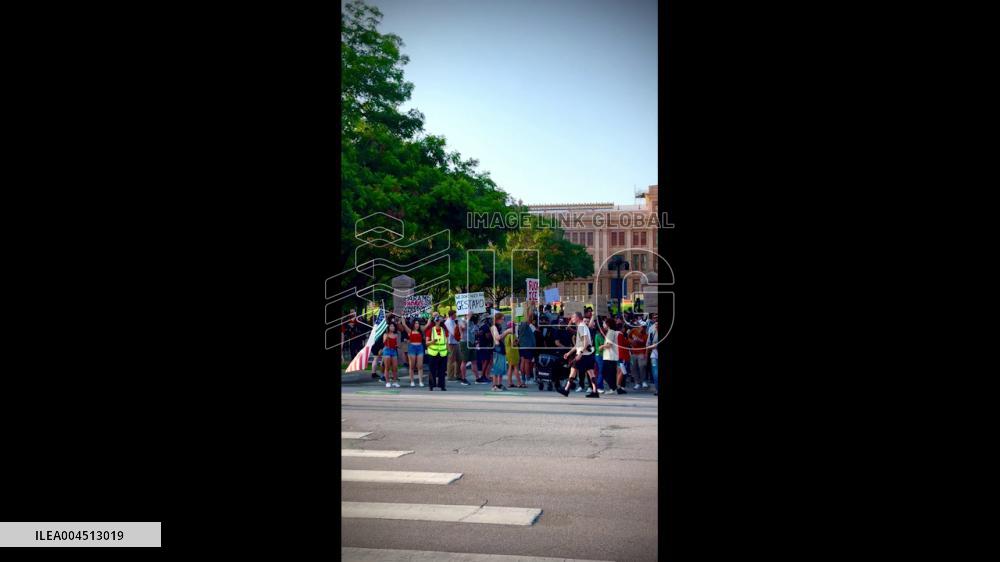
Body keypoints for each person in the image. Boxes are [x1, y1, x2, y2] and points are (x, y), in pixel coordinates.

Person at [556, 311, 599, 398]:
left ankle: (566, 390)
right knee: (590, 372)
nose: (571, 318)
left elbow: (586, 342)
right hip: (588, 354)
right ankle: (595, 391)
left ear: (578, 318)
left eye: (573, 317)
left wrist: (580, 354)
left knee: (573, 370)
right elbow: (578, 344)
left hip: (583, 354)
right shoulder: (581, 326)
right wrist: (569, 353)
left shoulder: (582, 327)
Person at [599, 317, 626, 394]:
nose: (603, 324)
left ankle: (613, 388)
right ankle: (614, 388)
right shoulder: (611, 332)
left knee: (605, 373)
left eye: (604, 323)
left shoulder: (611, 332)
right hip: (610, 356)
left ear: (608, 324)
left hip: (610, 356)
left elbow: (609, 344)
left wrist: (601, 346)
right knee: (609, 373)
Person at [398, 317, 426, 387]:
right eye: (416, 323)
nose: (417, 325)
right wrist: (402, 318)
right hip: (412, 348)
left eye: (418, 323)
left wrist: (430, 317)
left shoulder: (421, 331)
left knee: (420, 366)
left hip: (420, 348)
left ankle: (420, 381)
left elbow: (428, 325)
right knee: (412, 366)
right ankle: (412, 381)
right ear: (413, 324)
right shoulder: (410, 331)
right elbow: (404, 325)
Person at [489, 312, 513, 391]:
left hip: (499, 347)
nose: (503, 321)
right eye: (502, 319)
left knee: (501, 367)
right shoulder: (494, 327)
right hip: (497, 347)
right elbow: (497, 337)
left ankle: (498, 384)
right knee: (497, 367)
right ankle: (495, 385)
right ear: (498, 319)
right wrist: (507, 332)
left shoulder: (497, 327)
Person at [425, 315, 449, 390]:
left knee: (442, 371)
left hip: (443, 353)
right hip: (433, 353)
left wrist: (448, 350)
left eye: (439, 321)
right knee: (432, 371)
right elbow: (426, 343)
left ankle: (442, 386)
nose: (438, 322)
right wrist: (432, 341)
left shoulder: (444, 330)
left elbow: (446, 341)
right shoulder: (430, 330)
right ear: (435, 322)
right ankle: (431, 386)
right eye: (437, 321)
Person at [444, 310, 465, 383]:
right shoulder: (448, 322)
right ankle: (450, 376)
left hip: (456, 342)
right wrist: (460, 330)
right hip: (451, 343)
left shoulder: (453, 321)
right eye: (455, 315)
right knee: (451, 360)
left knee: (459, 359)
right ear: (451, 315)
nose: (456, 316)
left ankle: (458, 374)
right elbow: (453, 332)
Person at [517, 307, 537, 383]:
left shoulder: (520, 324)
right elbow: (529, 318)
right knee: (527, 362)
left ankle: (523, 378)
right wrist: (530, 308)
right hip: (526, 346)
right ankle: (527, 378)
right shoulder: (523, 324)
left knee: (523, 361)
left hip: (523, 346)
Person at [628, 322, 649, 390]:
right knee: (633, 368)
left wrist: (639, 340)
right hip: (633, 352)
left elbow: (647, 344)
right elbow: (628, 337)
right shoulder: (633, 330)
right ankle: (637, 382)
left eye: (643, 327)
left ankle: (643, 381)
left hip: (641, 352)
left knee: (642, 366)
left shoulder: (646, 335)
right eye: (641, 326)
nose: (641, 328)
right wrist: (631, 341)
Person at [382, 320, 401, 387]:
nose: (392, 327)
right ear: (388, 327)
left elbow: (398, 345)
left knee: (395, 368)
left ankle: (395, 381)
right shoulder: (385, 334)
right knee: (387, 367)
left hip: (394, 351)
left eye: (393, 326)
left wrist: (398, 345)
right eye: (391, 326)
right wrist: (386, 338)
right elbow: (384, 342)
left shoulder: (396, 335)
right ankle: (387, 382)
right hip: (387, 350)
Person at [476, 315, 495, 383]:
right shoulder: (486, 327)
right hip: (485, 346)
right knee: (486, 361)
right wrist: (493, 335)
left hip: (483, 345)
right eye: (490, 319)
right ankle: (483, 376)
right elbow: (488, 336)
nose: (492, 321)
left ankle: (484, 375)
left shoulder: (482, 327)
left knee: (486, 361)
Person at [504, 322, 523, 388]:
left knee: (510, 367)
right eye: (514, 327)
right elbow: (513, 344)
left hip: (508, 352)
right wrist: (518, 340)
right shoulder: (512, 334)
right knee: (515, 367)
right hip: (513, 352)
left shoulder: (506, 334)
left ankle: (510, 383)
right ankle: (519, 383)